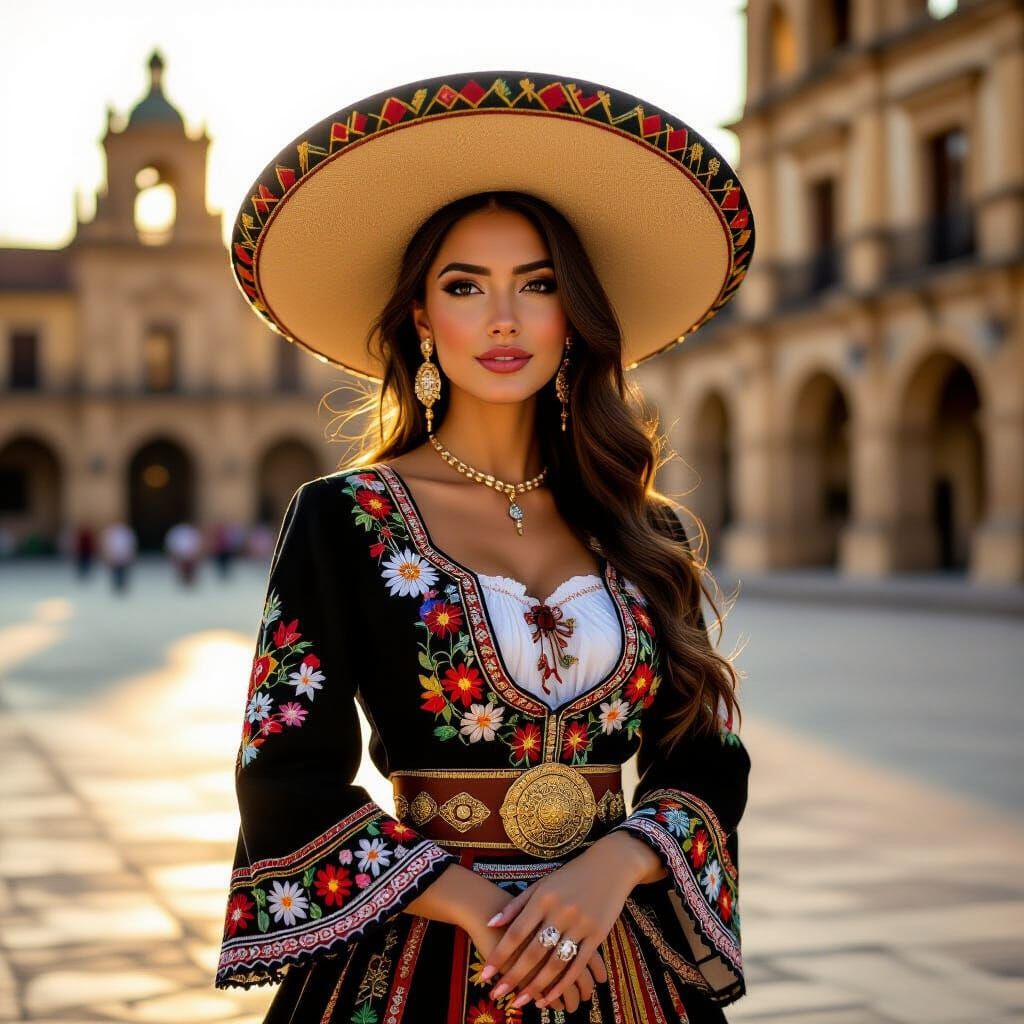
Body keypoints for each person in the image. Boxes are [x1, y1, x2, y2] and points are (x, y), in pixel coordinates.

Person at [214, 69, 755, 1023]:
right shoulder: (344, 518)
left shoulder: (644, 528)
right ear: (423, 317)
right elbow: (284, 777)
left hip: (616, 949)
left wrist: (612, 869)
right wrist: (489, 913)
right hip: (423, 951)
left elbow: (704, 757)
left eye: (537, 285)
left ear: (572, 316)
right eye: (466, 286)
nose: (503, 318)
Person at [99, 520, 136, 593]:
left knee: (123, 572)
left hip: (123, 555)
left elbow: (131, 544)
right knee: (115, 572)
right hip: (114, 556)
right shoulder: (110, 532)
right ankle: (116, 587)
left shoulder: (126, 532)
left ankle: (122, 587)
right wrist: (108, 554)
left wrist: (129, 554)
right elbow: (107, 544)